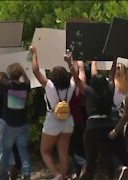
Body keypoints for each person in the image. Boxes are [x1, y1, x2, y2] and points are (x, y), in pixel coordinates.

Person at [65, 55, 115, 180]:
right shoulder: (109, 90)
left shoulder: (89, 92)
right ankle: (111, 177)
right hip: (108, 125)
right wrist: (114, 59)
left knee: (91, 158)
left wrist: (70, 64)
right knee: (108, 155)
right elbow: (112, 74)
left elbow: (76, 79)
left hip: (92, 127)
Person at [0, 43, 31, 180]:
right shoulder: (25, 87)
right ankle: (27, 173)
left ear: (9, 75)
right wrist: (22, 70)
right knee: (23, 150)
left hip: (10, 125)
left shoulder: (6, 86)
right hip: (23, 124)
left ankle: (3, 175)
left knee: (5, 151)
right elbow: (27, 79)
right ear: (20, 75)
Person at [30, 46, 76, 179]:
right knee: (63, 151)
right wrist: (69, 62)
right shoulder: (71, 86)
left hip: (53, 119)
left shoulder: (50, 86)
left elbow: (35, 71)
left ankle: (57, 175)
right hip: (68, 120)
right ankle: (64, 175)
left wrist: (34, 53)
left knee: (45, 151)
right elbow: (76, 74)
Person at [68, 60, 87, 179]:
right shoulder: (78, 89)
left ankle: (76, 170)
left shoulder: (67, 87)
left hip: (68, 121)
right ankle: (80, 168)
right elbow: (81, 77)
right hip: (79, 119)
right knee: (79, 145)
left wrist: (72, 64)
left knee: (71, 147)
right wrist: (80, 66)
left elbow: (75, 77)